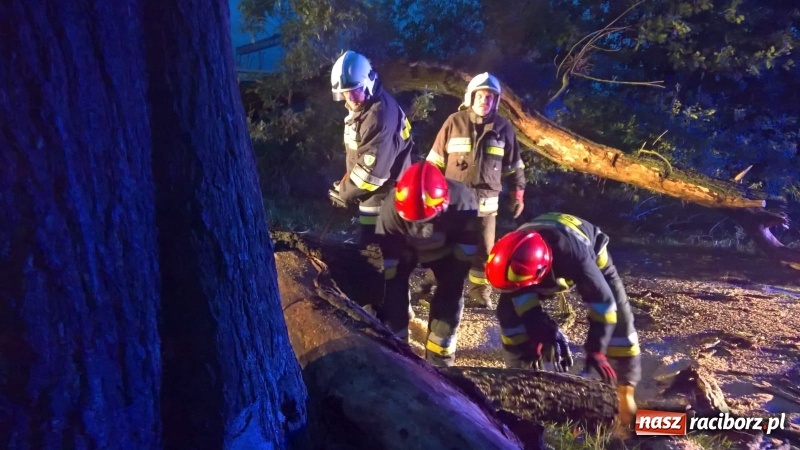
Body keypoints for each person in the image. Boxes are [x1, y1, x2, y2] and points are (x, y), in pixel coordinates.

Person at [485, 212, 641, 429]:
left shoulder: (575, 258)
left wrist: (596, 348)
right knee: (508, 312)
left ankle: (626, 395)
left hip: (590, 252)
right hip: (531, 262)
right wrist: (537, 326)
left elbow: (604, 305)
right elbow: (516, 291)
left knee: (620, 316)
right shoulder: (512, 251)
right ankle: (521, 378)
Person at [424, 72, 526, 308]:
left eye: (490, 97)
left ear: (495, 101)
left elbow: (514, 167)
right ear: (470, 97)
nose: (484, 100)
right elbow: (434, 162)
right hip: (453, 202)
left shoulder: (503, 128)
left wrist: (517, 194)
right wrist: (428, 193)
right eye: (480, 95)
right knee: (443, 245)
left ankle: (479, 292)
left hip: (485, 203)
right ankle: (431, 284)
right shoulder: (453, 122)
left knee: (484, 250)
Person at [375, 161, 480, 367]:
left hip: (447, 251)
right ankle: (398, 355)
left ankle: (439, 361)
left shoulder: (463, 201)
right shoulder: (390, 210)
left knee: (450, 295)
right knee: (392, 292)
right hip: (406, 248)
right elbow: (389, 265)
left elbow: (466, 249)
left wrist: (453, 277)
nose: (421, 225)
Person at [328, 50, 414, 244]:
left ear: (368, 83)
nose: (350, 99)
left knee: (377, 256)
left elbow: (371, 173)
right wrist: (346, 184)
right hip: (376, 195)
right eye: (344, 94)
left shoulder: (378, 117)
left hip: (384, 199)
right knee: (373, 256)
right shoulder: (365, 108)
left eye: (354, 91)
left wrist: (344, 193)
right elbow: (362, 154)